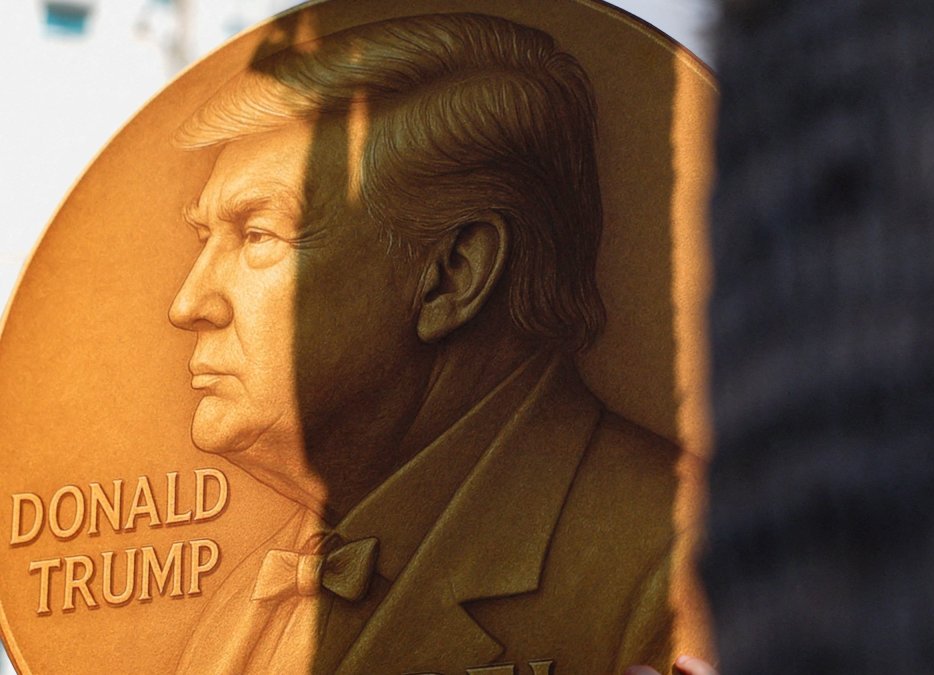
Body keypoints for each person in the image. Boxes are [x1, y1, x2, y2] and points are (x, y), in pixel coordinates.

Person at [167, 13, 691, 675]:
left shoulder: (690, 561)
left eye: (257, 235)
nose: (188, 304)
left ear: (453, 275)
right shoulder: (258, 590)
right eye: (205, 238)